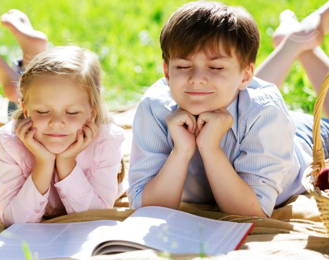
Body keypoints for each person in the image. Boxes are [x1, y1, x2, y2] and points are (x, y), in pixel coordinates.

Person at [128, 1, 329, 218]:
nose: (196, 80)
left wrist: (210, 148)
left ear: (246, 75)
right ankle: (292, 43)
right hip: (244, 104)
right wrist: (182, 151)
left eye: (215, 67)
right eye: (183, 67)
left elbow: (253, 211)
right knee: (233, 90)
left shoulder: (265, 111)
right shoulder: (155, 107)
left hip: (301, 136)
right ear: (166, 72)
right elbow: (147, 205)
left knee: (251, 98)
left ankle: (298, 44)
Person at [0, 45, 125, 226]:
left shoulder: (107, 140)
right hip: (23, 117)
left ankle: (22, 65)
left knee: (31, 94)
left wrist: (67, 162)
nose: (56, 122)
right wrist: (43, 163)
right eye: (43, 111)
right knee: (15, 102)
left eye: (72, 112)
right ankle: (20, 68)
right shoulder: (9, 140)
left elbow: (96, 217)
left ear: (92, 113)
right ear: (26, 109)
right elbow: (13, 220)